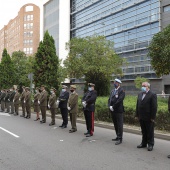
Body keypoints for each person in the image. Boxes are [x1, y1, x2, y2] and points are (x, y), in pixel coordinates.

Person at [135, 82, 157, 151]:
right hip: (141, 116)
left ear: (148, 87)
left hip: (149, 117)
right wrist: (137, 115)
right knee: (143, 131)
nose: (143, 87)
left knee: (150, 131)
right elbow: (137, 105)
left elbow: (154, 107)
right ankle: (143, 143)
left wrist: (153, 117)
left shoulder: (152, 94)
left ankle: (150, 144)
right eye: (142, 86)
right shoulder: (140, 94)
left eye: (144, 86)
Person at [108, 78, 125, 145]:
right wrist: (109, 106)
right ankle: (117, 136)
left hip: (118, 110)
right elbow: (109, 99)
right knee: (115, 124)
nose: (114, 83)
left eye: (115, 82)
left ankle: (120, 138)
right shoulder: (113, 91)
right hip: (112, 110)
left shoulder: (122, 90)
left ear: (118, 83)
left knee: (119, 125)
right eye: (114, 82)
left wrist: (113, 106)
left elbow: (120, 100)